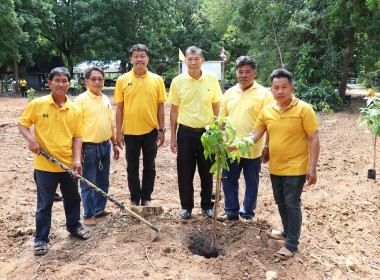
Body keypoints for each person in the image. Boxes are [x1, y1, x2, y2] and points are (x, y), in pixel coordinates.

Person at [230, 68, 320, 260]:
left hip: (296, 166)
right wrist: (232, 147)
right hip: (276, 166)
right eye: (276, 87)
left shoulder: (304, 109)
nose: (280, 91)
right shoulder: (267, 110)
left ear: (292, 88)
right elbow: (255, 134)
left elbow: (313, 138)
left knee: (292, 203)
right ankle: (287, 231)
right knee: (280, 201)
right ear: (271, 89)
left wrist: (312, 167)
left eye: (284, 87)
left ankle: (292, 244)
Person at [18, 67, 91, 256]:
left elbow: (77, 137)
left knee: (73, 198)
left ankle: (74, 226)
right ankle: (41, 238)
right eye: (56, 80)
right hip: (44, 165)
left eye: (64, 80)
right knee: (44, 203)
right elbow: (23, 124)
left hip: (67, 164)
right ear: (49, 83)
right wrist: (31, 140)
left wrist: (77, 160)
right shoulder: (38, 104)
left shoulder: (74, 109)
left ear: (69, 84)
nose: (60, 84)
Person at [217, 56, 273, 223]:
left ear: (254, 73)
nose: (243, 75)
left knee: (252, 183)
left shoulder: (264, 94)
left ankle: (248, 213)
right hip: (229, 148)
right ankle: (231, 212)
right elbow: (221, 121)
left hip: (253, 149)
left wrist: (267, 146)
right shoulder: (229, 93)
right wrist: (219, 143)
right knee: (228, 181)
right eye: (240, 72)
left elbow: (269, 124)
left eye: (247, 72)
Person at [169, 46, 222, 219]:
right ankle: (186, 207)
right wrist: (173, 138)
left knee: (207, 172)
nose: (193, 62)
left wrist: (217, 135)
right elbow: (174, 111)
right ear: (185, 61)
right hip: (185, 134)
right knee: (185, 172)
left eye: (196, 59)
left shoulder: (212, 79)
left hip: (207, 134)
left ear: (202, 61)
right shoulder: (178, 81)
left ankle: (207, 205)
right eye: (190, 59)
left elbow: (216, 107)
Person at [114, 44, 167, 206]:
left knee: (150, 166)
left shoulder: (157, 80)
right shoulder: (122, 80)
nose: (139, 59)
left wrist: (162, 130)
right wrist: (119, 132)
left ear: (147, 59)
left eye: (142, 56)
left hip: (151, 130)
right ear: (131, 59)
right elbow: (119, 108)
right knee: (132, 167)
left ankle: (146, 198)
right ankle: (135, 198)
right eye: (136, 56)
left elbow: (160, 107)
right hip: (130, 132)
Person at [75, 66, 120, 225]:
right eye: (93, 79)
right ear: (86, 81)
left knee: (103, 181)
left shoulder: (105, 99)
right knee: (88, 182)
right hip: (88, 148)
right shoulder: (81, 100)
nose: (97, 82)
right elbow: (75, 127)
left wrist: (114, 143)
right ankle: (88, 214)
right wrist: (78, 151)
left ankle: (99, 209)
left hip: (105, 146)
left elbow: (110, 123)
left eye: (100, 79)